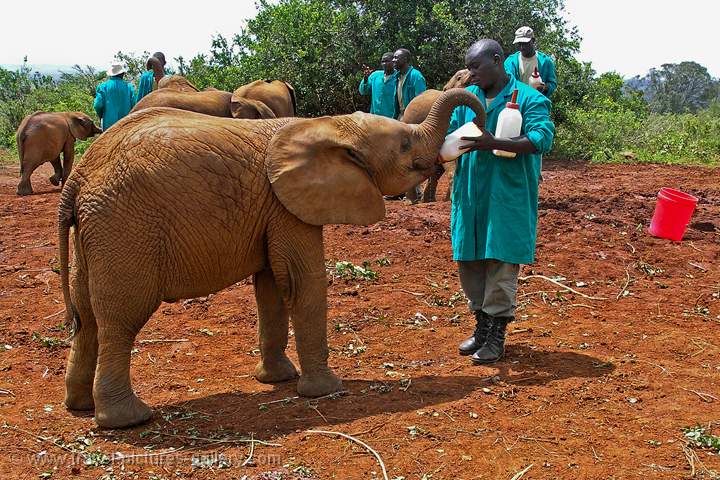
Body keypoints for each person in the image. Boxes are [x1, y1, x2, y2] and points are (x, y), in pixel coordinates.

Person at [448, 39, 555, 364]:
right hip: (470, 196)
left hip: (505, 196)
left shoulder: (529, 99)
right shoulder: (469, 101)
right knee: (470, 262)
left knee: (500, 263)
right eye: (469, 66)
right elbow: (451, 135)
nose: (471, 73)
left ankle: (496, 334)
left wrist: (495, 141)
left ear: (498, 60)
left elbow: (542, 138)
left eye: (477, 66)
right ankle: (481, 327)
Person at [504, 27, 557, 98]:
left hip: (537, 103)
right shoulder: (510, 62)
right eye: (519, 44)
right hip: (516, 104)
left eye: (525, 44)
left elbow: (552, 83)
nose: (522, 47)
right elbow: (505, 83)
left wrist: (545, 88)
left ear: (533, 41)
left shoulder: (545, 61)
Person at [94, 63, 136, 131]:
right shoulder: (129, 87)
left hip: (109, 125)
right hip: (126, 124)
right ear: (122, 74)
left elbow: (97, 105)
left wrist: (101, 115)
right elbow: (134, 105)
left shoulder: (103, 87)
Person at [358, 52, 397, 118]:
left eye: (387, 61)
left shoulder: (398, 77)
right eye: (383, 61)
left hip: (392, 119)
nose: (384, 64)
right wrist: (365, 79)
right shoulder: (375, 75)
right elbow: (363, 92)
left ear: (393, 62)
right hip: (375, 118)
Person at [392, 48, 426, 120]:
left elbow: (421, 102)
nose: (393, 60)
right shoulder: (397, 77)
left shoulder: (416, 76)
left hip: (412, 118)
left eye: (396, 57)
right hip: (400, 116)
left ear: (405, 59)